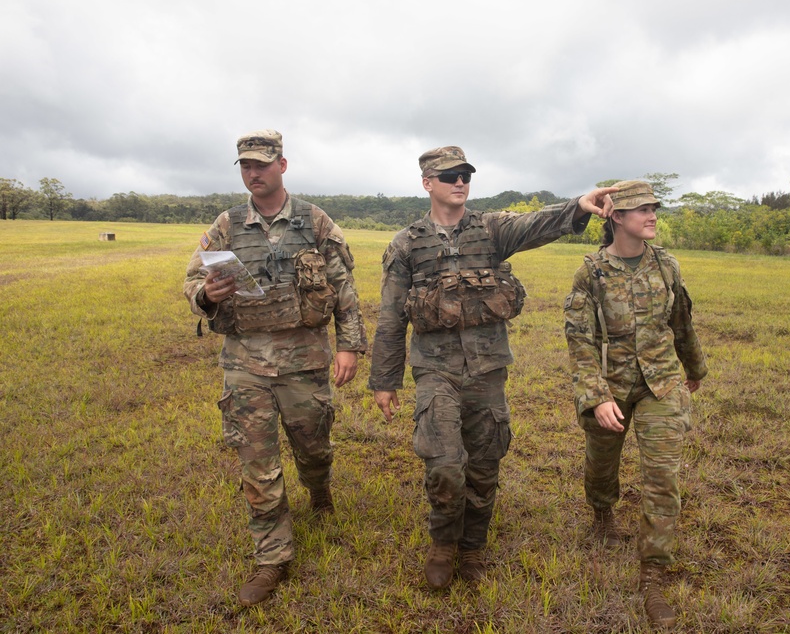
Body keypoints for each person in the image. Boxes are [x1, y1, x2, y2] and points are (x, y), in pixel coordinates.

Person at [368, 145, 614, 589]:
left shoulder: (492, 229)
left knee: (483, 465)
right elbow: (390, 318)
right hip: (435, 370)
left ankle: (473, 548)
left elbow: (534, 224)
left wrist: (578, 207)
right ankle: (443, 544)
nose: (460, 182)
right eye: (449, 176)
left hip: (487, 370)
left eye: (465, 174)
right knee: (444, 464)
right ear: (428, 183)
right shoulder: (406, 244)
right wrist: (385, 381)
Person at [183, 129, 368, 606]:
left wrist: (349, 345)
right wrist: (206, 294)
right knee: (257, 461)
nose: (253, 173)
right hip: (244, 364)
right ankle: (271, 558)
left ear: (282, 166)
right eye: (245, 166)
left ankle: (319, 488)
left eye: (261, 165)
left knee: (313, 446)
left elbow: (343, 286)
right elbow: (191, 280)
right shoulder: (226, 225)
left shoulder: (315, 221)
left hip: (304, 361)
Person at [563, 180, 707, 629]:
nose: (652, 216)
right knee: (602, 461)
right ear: (616, 218)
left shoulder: (666, 265)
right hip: (612, 385)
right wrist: (597, 396)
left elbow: (681, 320)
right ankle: (602, 511)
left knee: (662, 476)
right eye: (641, 209)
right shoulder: (592, 272)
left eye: (653, 208)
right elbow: (580, 340)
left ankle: (653, 574)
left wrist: (694, 368)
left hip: (661, 385)